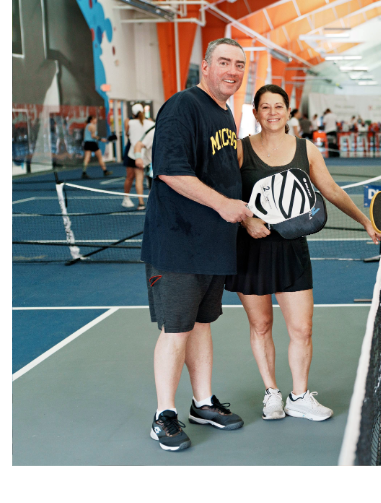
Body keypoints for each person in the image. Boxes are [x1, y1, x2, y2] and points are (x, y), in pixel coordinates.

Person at [225, 84, 381, 422]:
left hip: (292, 250)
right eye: (264, 107)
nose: (272, 113)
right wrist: (247, 220)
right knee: (262, 324)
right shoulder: (241, 151)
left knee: (302, 329)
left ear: (288, 111)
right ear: (255, 113)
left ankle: (299, 395)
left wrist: (365, 221)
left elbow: (332, 190)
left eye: (278, 106)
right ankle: (272, 394)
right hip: (249, 250)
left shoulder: (305, 149)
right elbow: (224, 195)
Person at [140, 38, 253, 452]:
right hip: (177, 244)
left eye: (239, 65)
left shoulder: (225, 113)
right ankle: (163, 415)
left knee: (202, 325)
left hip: (212, 245)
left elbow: (227, 170)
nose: (232, 71)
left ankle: (202, 402)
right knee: (176, 329)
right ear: (204, 66)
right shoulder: (183, 105)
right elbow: (169, 170)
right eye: (223, 62)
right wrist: (224, 203)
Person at [122, 103, 155, 210]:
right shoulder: (151, 123)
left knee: (132, 178)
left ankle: (131, 200)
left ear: (133, 113)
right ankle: (145, 202)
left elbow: (127, 134)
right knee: (144, 179)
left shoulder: (130, 122)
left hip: (133, 154)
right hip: (145, 156)